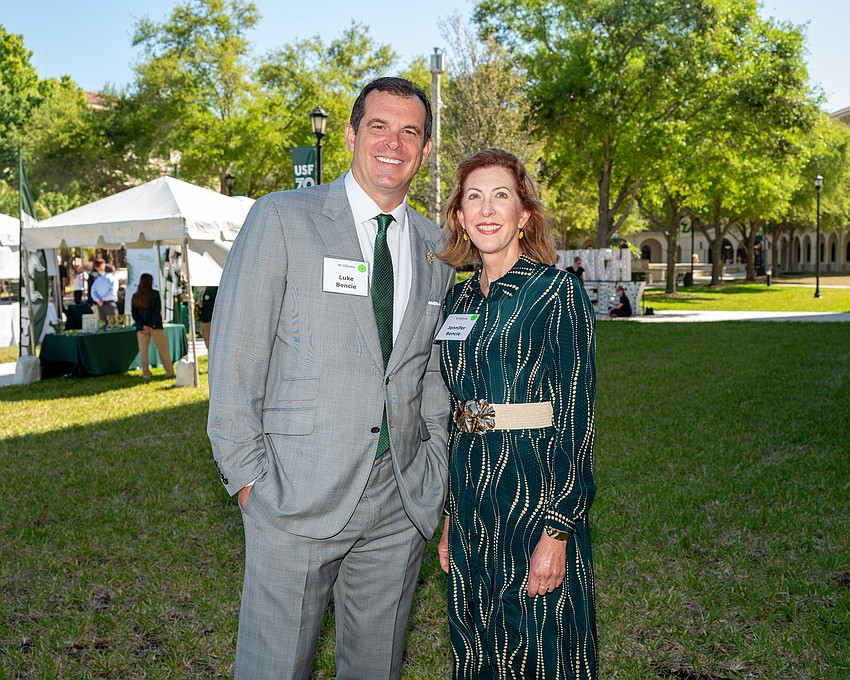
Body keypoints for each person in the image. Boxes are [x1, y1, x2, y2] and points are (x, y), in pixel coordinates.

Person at [207, 76, 454, 679]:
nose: (393, 143)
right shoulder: (282, 218)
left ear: (424, 150)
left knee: (375, 666)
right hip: (293, 494)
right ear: (350, 135)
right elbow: (236, 354)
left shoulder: (438, 247)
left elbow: (432, 375)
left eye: (410, 132)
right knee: (273, 667)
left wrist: (434, 471)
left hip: (399, 500)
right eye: (379, 126)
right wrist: (249, 479)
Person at [437, 149, 597, 679]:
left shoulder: (557, 292)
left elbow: (577, 417)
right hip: (470, 496)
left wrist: (559, 529)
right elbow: (456, 413)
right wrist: (449, 516)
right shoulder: (458, 302)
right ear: (460, 216)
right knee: (475, 640)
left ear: (524, 214)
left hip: (533, 492)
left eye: (500, 196)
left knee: (541, 642)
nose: (486, 209)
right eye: (473, 198)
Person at [131, 273, 175, 379]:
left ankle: (146, 373)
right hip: (156, 327)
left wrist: (143, 325)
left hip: (141, 328)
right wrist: (151, 325)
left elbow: (135, 314)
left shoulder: (136, 296)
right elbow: (157, 311)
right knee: (163, 350)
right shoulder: (155, 294)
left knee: (143, 352)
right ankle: (169, 371)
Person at [196, 285, 217, 350]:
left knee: (210, 340)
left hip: (209, 319)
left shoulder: (213, 288)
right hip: (203, 318)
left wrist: (203, 304)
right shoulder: (201, 289)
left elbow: (215, 304)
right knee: (206, 340)